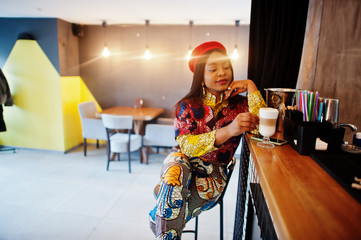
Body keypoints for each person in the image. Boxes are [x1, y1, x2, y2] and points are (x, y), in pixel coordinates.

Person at [149, 41, 266, 239]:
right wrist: (230, 130)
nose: (222, 73)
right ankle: (165, 213)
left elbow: (264, 129)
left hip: (214, 174)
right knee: (177, 166)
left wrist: (250, 86)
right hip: (181, 162)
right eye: (213, 69)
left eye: (226, 67)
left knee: (172, 207)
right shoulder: (186, 106)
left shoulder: (241, 106)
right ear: (200, 77)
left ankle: (159, 216)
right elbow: (186, 146)